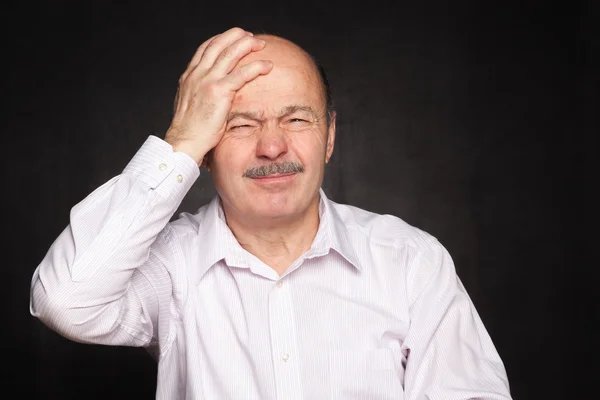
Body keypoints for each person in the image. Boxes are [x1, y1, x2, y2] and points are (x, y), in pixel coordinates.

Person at [30, 27, 512, 399]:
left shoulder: (411, 261)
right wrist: (179, 141)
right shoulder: (169, 263)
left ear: (329, 136)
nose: (273, 145)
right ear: (207, 148)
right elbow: (65, 301)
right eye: (240, 124)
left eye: (297, 119)